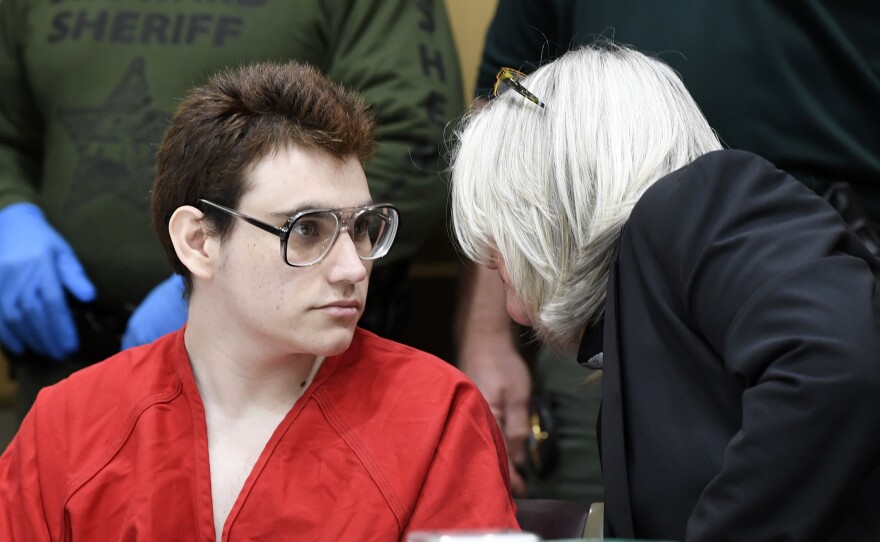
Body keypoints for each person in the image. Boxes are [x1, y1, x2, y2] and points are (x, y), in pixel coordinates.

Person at [0, 61, 518, 541]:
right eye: (307, 229)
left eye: (362, 228)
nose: (353, 267)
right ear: (199, 242)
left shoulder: (434, 415)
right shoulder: (67, 426)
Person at [450, 43, 880, 541]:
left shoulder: (699, 199)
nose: (487, 255)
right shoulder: (634, 324)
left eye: (498, 215)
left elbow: (837, 357)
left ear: (553, 192)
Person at [0, 0, 463, 423]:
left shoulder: (442, 413)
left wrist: (245, 274)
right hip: (59, 353)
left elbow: (415, 137)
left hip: (297, 381)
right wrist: (5, 209)